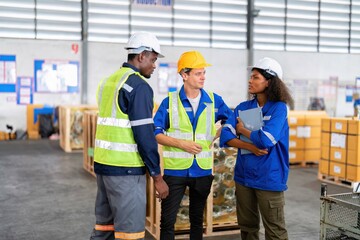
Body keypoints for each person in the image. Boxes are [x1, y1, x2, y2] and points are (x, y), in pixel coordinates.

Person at [90, 31, 169, 240]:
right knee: (130, 234)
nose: (154, 65)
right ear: (141, 56)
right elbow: (145, 136)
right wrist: (157, 176)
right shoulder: (139, 86)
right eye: (152, 59)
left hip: (103, 166)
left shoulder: (108, 82)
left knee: (104, 230)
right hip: (126, 171)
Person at [153, 50, 232, 240]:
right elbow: (156, 133)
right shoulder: (169, 102)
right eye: (198, 73)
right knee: (168, 221)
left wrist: (217, 134)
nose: (203, 77)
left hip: (203, 171)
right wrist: (182, 144)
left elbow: (231, 120)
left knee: (197, 220)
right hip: (175, 171)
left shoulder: (214, 100)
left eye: (204, 73)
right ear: (184, 75)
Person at [220, 57, 294, 240]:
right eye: (250, 77)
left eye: (255, 77)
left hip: (269, 178)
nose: (250, 81)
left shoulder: (279, 109)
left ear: (269, 82)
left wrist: (243, 130)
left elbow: (267, 140)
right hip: (244, 177)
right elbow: (226, 136)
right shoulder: (243, 107)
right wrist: (249, 147)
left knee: (275, 231)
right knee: (247, 228)